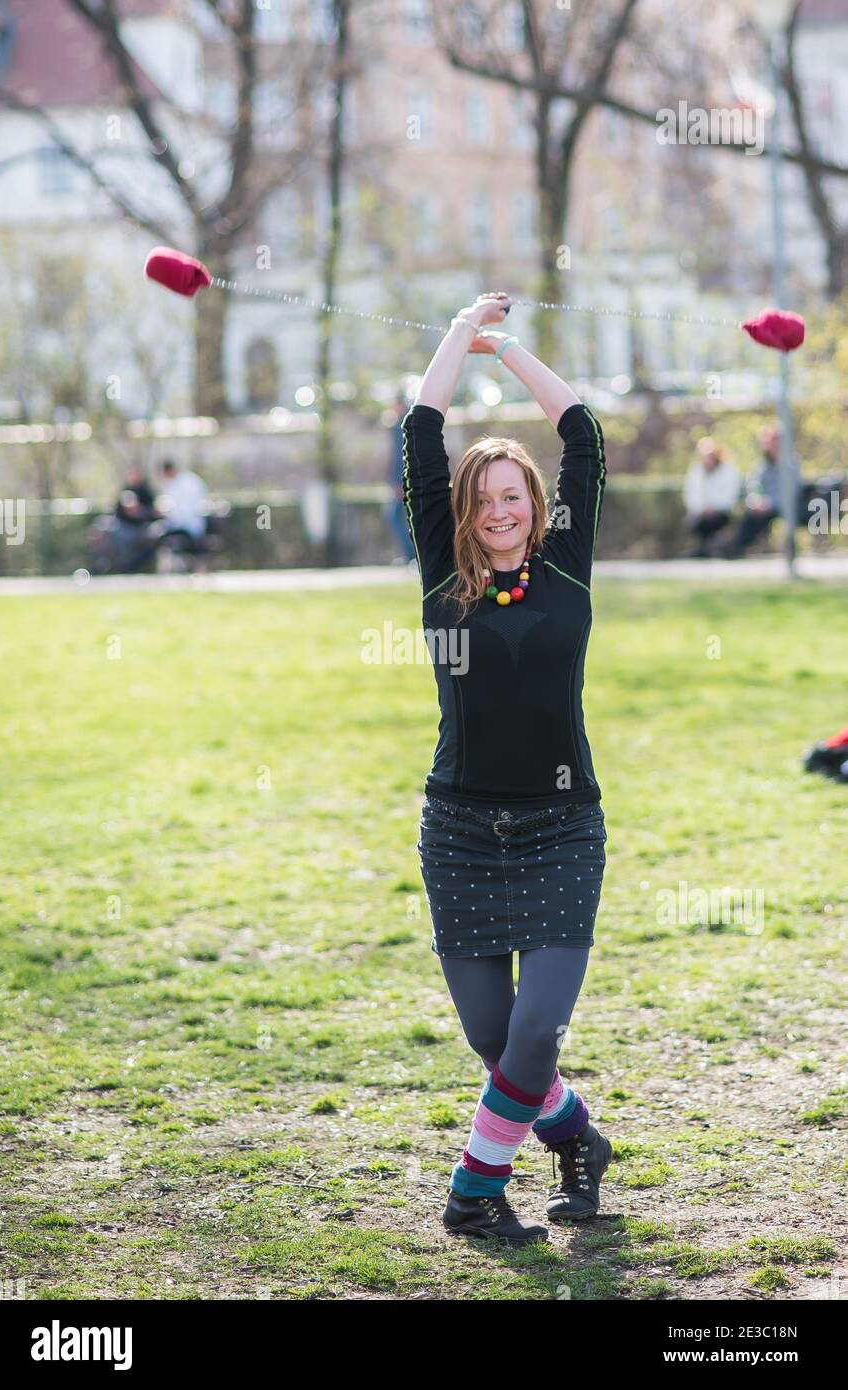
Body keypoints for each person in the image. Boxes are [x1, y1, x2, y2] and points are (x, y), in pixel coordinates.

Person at [403, 290, 612, 1245]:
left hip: (562, 828)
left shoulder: (566, 562)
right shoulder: (442, 576)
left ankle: (473, 1192)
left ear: (535, 503)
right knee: (496, 1042)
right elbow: (419, 431)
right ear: (464, 510)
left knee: (533, 1036)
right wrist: (454, 336)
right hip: (459, 829)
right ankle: (577, 1138)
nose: (497, 510)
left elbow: (583, 434)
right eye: (482, 499)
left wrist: (508, 349)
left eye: (512, 495)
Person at [124, 459, 209, 572]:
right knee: (153, 533)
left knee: (155, 536)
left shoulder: (180, 484)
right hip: (191, 526)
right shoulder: (191, 480)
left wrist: (162, 512)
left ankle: (134, 567)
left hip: (186, 527)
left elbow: (180, 512)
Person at [722, 425, 788, 557]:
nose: (768, 447)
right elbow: (753, 485)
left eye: (771, 443)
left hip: (783, 506)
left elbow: (790, 491)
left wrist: (770, 503)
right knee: (752, 516)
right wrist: (756, 500)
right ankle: (736, 547)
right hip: (763, 507)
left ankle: (735, 547)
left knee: (763, 514)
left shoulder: (789, 464)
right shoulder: (762, 465)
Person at [681, 437, 741, 557]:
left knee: (713, 521)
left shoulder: (728, 470)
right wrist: (701, 509)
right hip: (700, 513)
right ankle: (703, 549)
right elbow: (691, 494)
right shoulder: (696, 472)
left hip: (721, 512)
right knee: (694, 521)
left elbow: (730, 495)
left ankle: (714, 549)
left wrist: (714, 507)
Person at [384, 391, 416, 563]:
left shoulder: (401, 426)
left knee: (396, 516)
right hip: (404, 480)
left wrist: (398, 483)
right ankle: (411, 555)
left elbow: (400, 456)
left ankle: (412, 555)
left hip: (403, 481)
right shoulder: (406, 424)